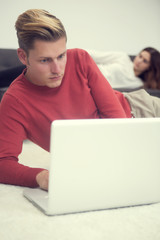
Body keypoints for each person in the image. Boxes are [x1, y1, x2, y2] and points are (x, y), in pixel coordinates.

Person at [0, 9, 160, 191]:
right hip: (110, 151)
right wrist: (40, 176)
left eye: (61, 56)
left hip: (139, 110)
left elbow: (118, 125)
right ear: (23, 57)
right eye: (45, 60)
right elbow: (3, 163)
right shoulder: (14, 101)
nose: (57, 69)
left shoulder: (80, 59)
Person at [87, 47, 160, 90]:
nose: (139, 61)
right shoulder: (123, 58)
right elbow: (95, 55)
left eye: (145, 61)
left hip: (94, 87)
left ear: (149, 67)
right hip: (88, 73)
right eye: (140, 56)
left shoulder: (138, 84)